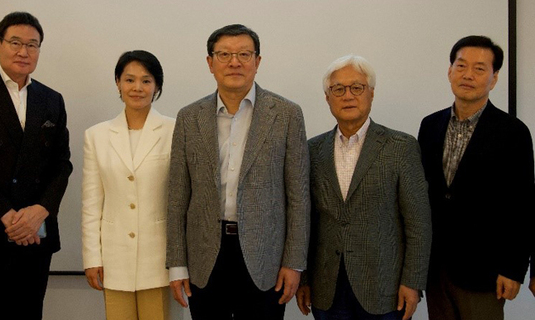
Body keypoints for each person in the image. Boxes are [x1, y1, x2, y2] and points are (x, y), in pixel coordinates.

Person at [166, 24, 310, 319]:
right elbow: (178, 197)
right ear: (210, 63)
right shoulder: (189, 118)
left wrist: (294, 263)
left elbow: (299, 197)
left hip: (266, 258)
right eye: (224, 54)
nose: (234, 62)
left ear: (257, 61)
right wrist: (177, 264)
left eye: (244, 54)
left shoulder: (286, 114)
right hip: (204, 257)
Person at [0, 12, 73, 320]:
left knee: (31, 313)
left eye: (32, 45)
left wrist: (40, 211)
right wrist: (8, 217)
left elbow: (62, 164)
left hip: (37, 231)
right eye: (15, 43)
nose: (23, 52)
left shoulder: (52, 99)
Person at [296, 54, 432, 320]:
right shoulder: (312, 150)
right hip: (327, 287)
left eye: (357, 88)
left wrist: (413, 282)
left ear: (371, 93)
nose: (348, 96)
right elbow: (307, 221)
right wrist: (304, 279)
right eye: (338, 89)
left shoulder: (400, 147)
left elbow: (418, 223)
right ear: (327, 97)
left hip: (384, 287)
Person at [418, 35, 534, 320]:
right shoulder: (430, 125)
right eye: (461, 66)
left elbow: (523, 205)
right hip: (436, 268)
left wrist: (513, 268)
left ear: (494, 79)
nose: (468, 75)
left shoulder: (513, 132)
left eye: (479, 69)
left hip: (485, 271)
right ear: (450, 71)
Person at [82, 50, 175, 320]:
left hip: (160, 260)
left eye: (146, 81)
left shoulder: (174, 130)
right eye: (129, 80)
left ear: (157, 86)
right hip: (114, 260)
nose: (137, 88)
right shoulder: (97, 135)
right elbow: (91, 204)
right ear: (118, 83)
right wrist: (92, 258)